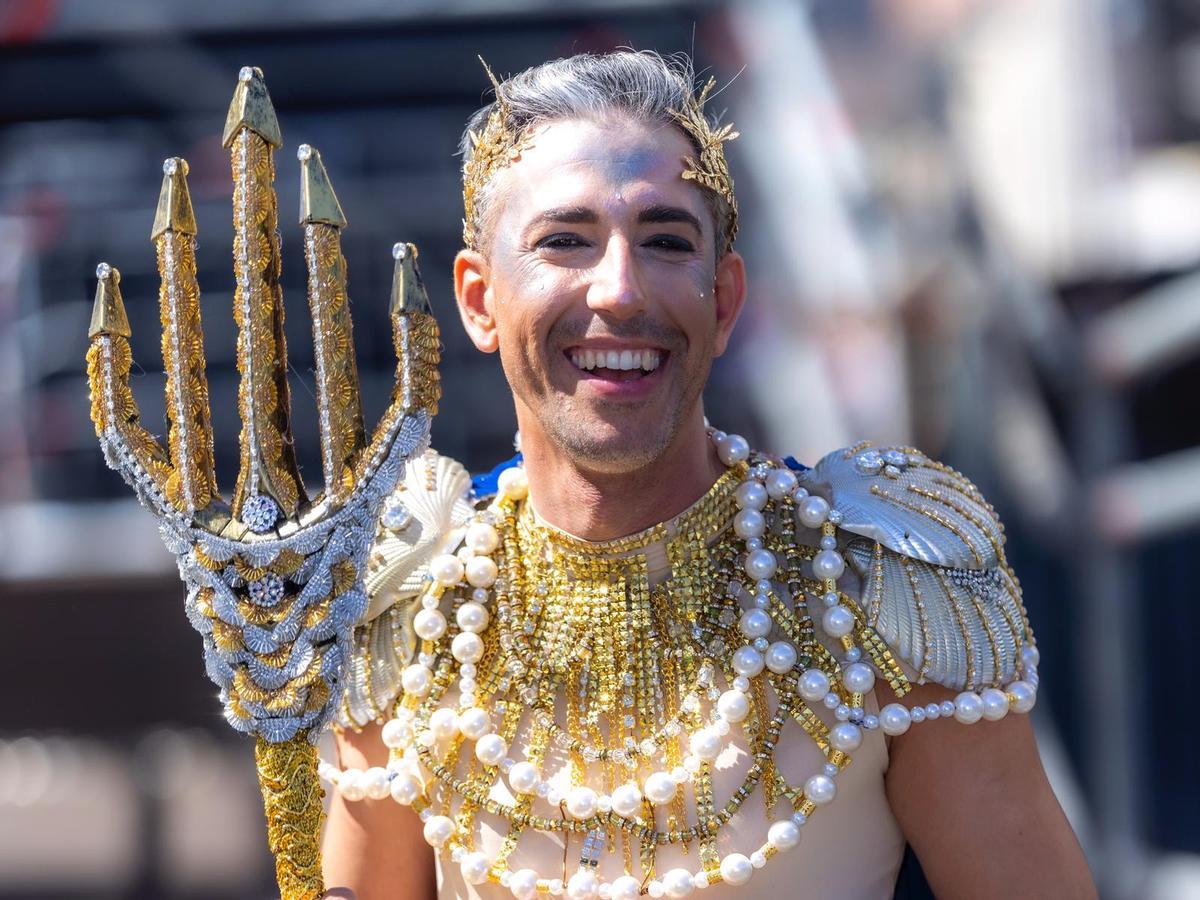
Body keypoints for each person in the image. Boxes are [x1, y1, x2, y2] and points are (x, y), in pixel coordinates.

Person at [319, 51, 1095, 900]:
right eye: (565, 241)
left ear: (724, 301)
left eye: (664, 241)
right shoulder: (411, 613)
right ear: (478, 300)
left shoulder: (881, 588)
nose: (618, 289)